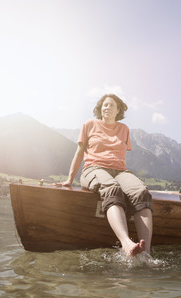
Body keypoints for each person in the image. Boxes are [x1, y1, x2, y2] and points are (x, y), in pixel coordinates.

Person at [58, 94, 153, 257]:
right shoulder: (89, 124)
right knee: (112, 188)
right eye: (104, 105)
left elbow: (119, 156)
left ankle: (147, 253)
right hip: (93, 168)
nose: (107, 108)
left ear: (118, 110)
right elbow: (79, 153)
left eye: (111, 105)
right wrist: (69, 179)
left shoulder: (124, 129)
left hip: (120, 171)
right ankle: (126, 244)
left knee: (141, 192)